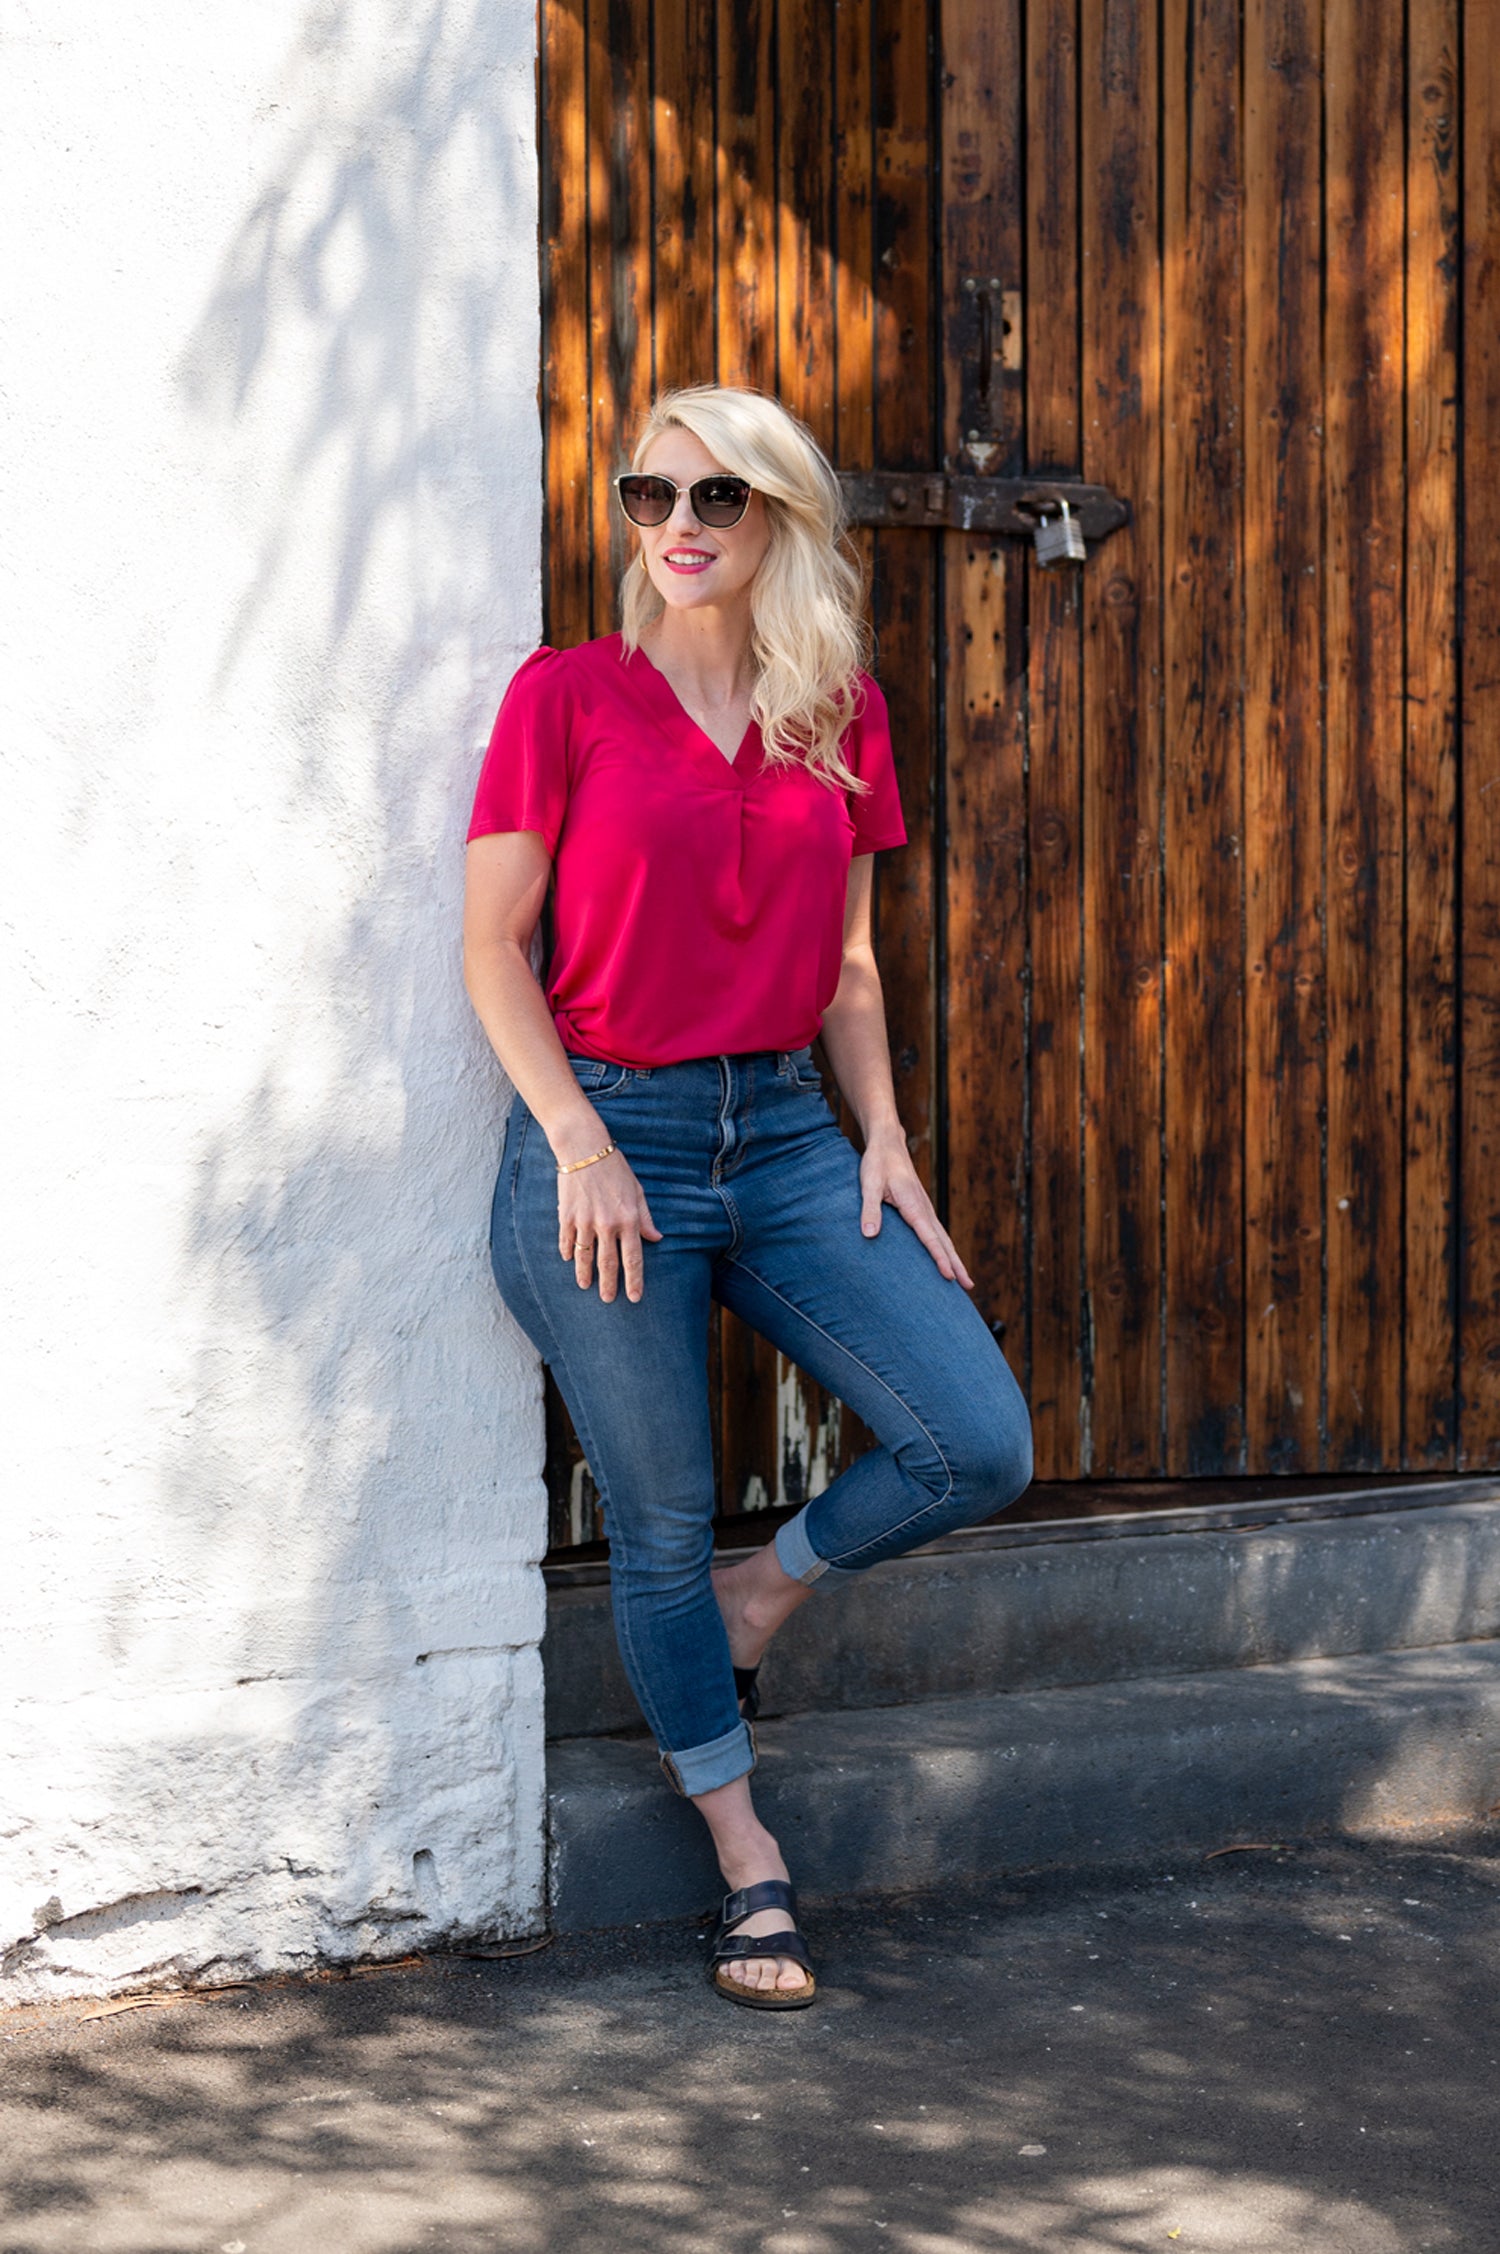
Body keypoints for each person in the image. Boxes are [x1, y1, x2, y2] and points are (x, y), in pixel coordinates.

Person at [462, 384, 1032, 2010]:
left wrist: (887, 1137)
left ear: (778, 517)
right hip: (608, 1137)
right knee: (653, 1513)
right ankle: (745, 1857)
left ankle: (759, 1591)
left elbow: (848, 963)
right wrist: (572, 1134)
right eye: (652, 496)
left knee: (975, 1439)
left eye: (719, 498)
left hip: (783, 1133)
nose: (681, 529)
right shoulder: (564, 697)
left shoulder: (833, 706)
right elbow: (493, 942)